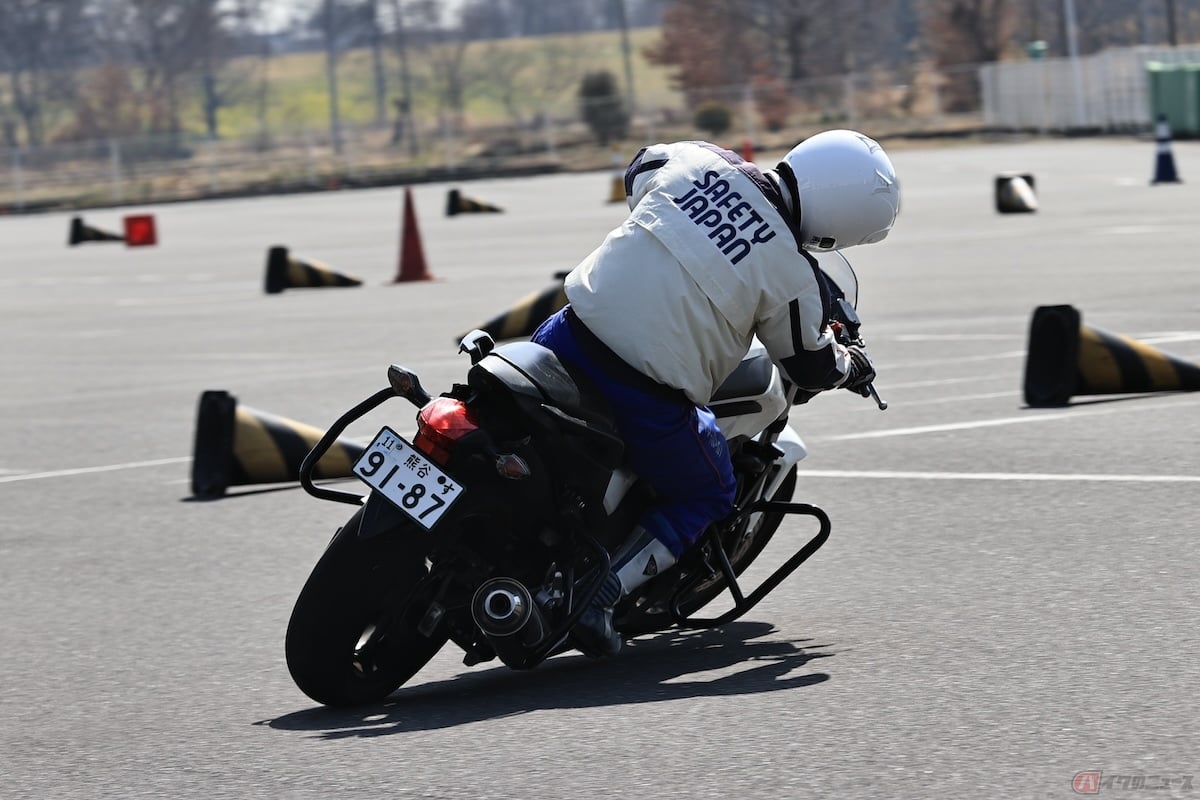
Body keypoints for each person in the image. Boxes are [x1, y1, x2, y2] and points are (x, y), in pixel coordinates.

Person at [530, 130, 901, 656]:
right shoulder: (791, 276)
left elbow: (640, 168)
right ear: (843, 228)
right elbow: (811, 364)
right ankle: (598, 593)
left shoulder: (698, 161)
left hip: (562, 339)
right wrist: (852, 364)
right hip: (642, 390)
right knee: (708, 491)